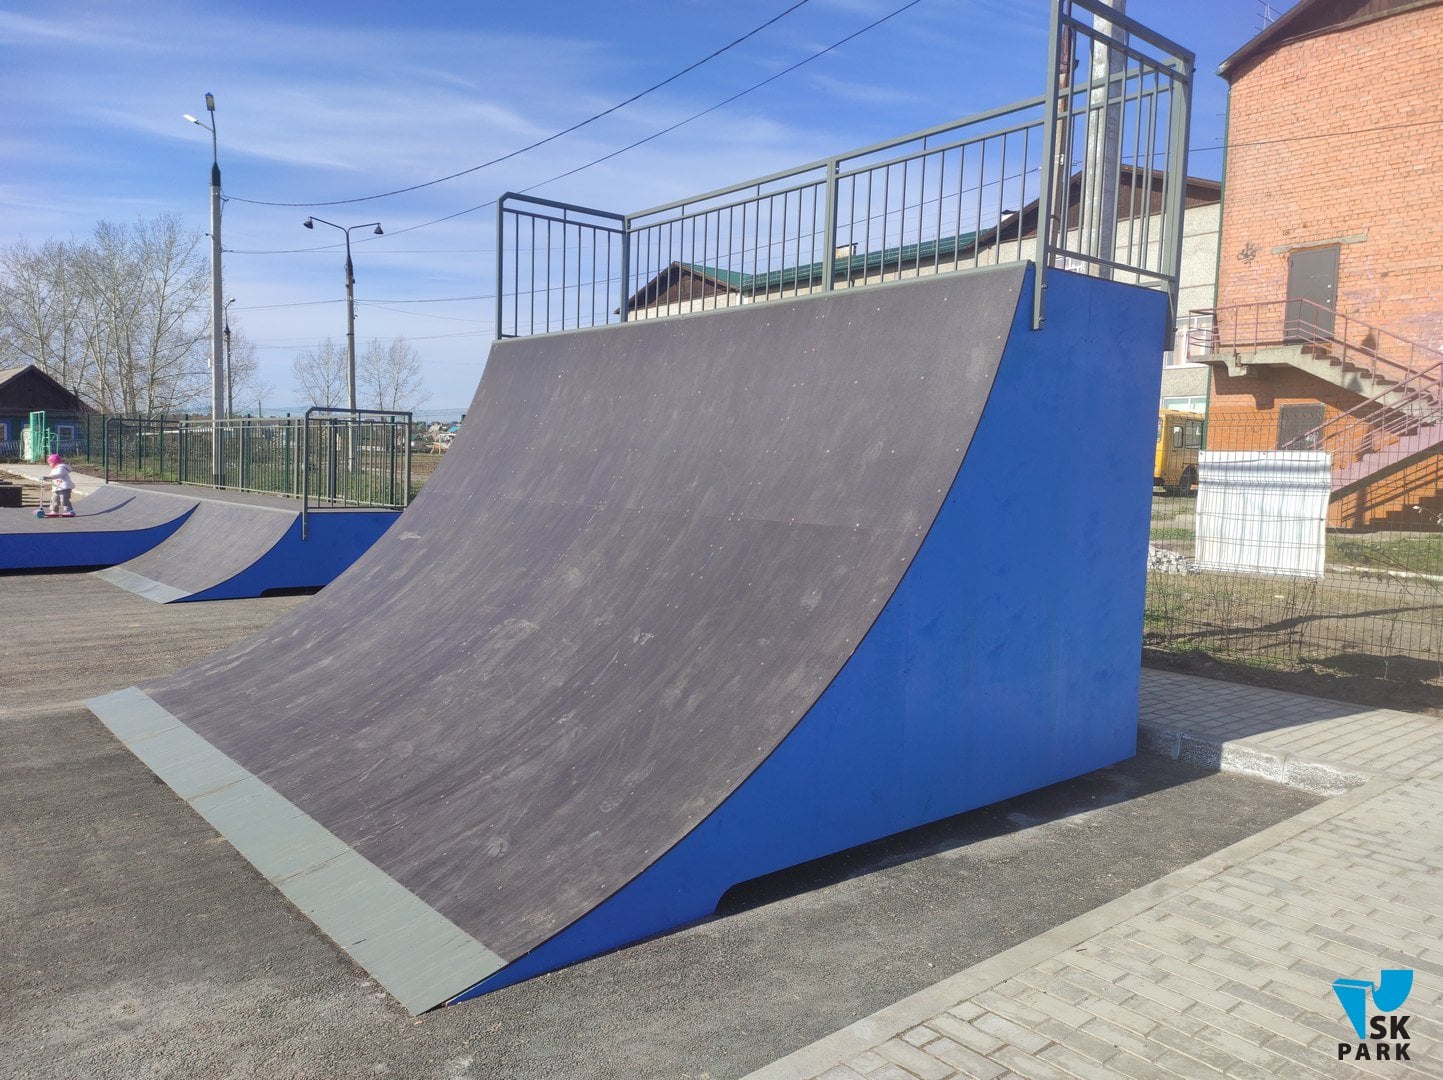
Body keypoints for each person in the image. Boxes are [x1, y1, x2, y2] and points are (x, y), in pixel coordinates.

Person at [45, 452, 75, 517]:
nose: (49, 465)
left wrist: (49, 477)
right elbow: (52, 476)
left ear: (54, 462)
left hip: (64, 488)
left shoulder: (61, 468)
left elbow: (58, 474)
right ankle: (54, 511)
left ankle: (69, 511)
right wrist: (46, 478)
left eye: (50, 463)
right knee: (54, 500)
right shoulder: (54, 470)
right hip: (57, 488)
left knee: (64, 500)